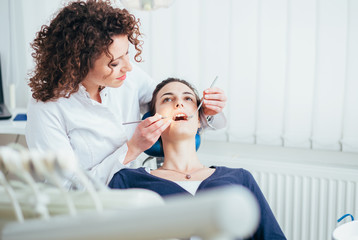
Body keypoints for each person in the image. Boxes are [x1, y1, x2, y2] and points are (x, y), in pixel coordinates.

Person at [25, 0, 227, 185]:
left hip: (128, 192)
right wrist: (131, 149)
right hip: (83, 214)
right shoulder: (47, 108)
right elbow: (67, 190)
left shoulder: (127, 77)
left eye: (127, 54)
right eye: (114, 63)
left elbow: (168, 104)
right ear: (77, 64)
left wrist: (209, 112)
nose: (128, 68)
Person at [108, 78, 286, 240]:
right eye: (167, 99)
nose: (179, 103)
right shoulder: (128, 181)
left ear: (200, 120)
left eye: (188, 99)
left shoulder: (240, 178)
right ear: (153, 120)